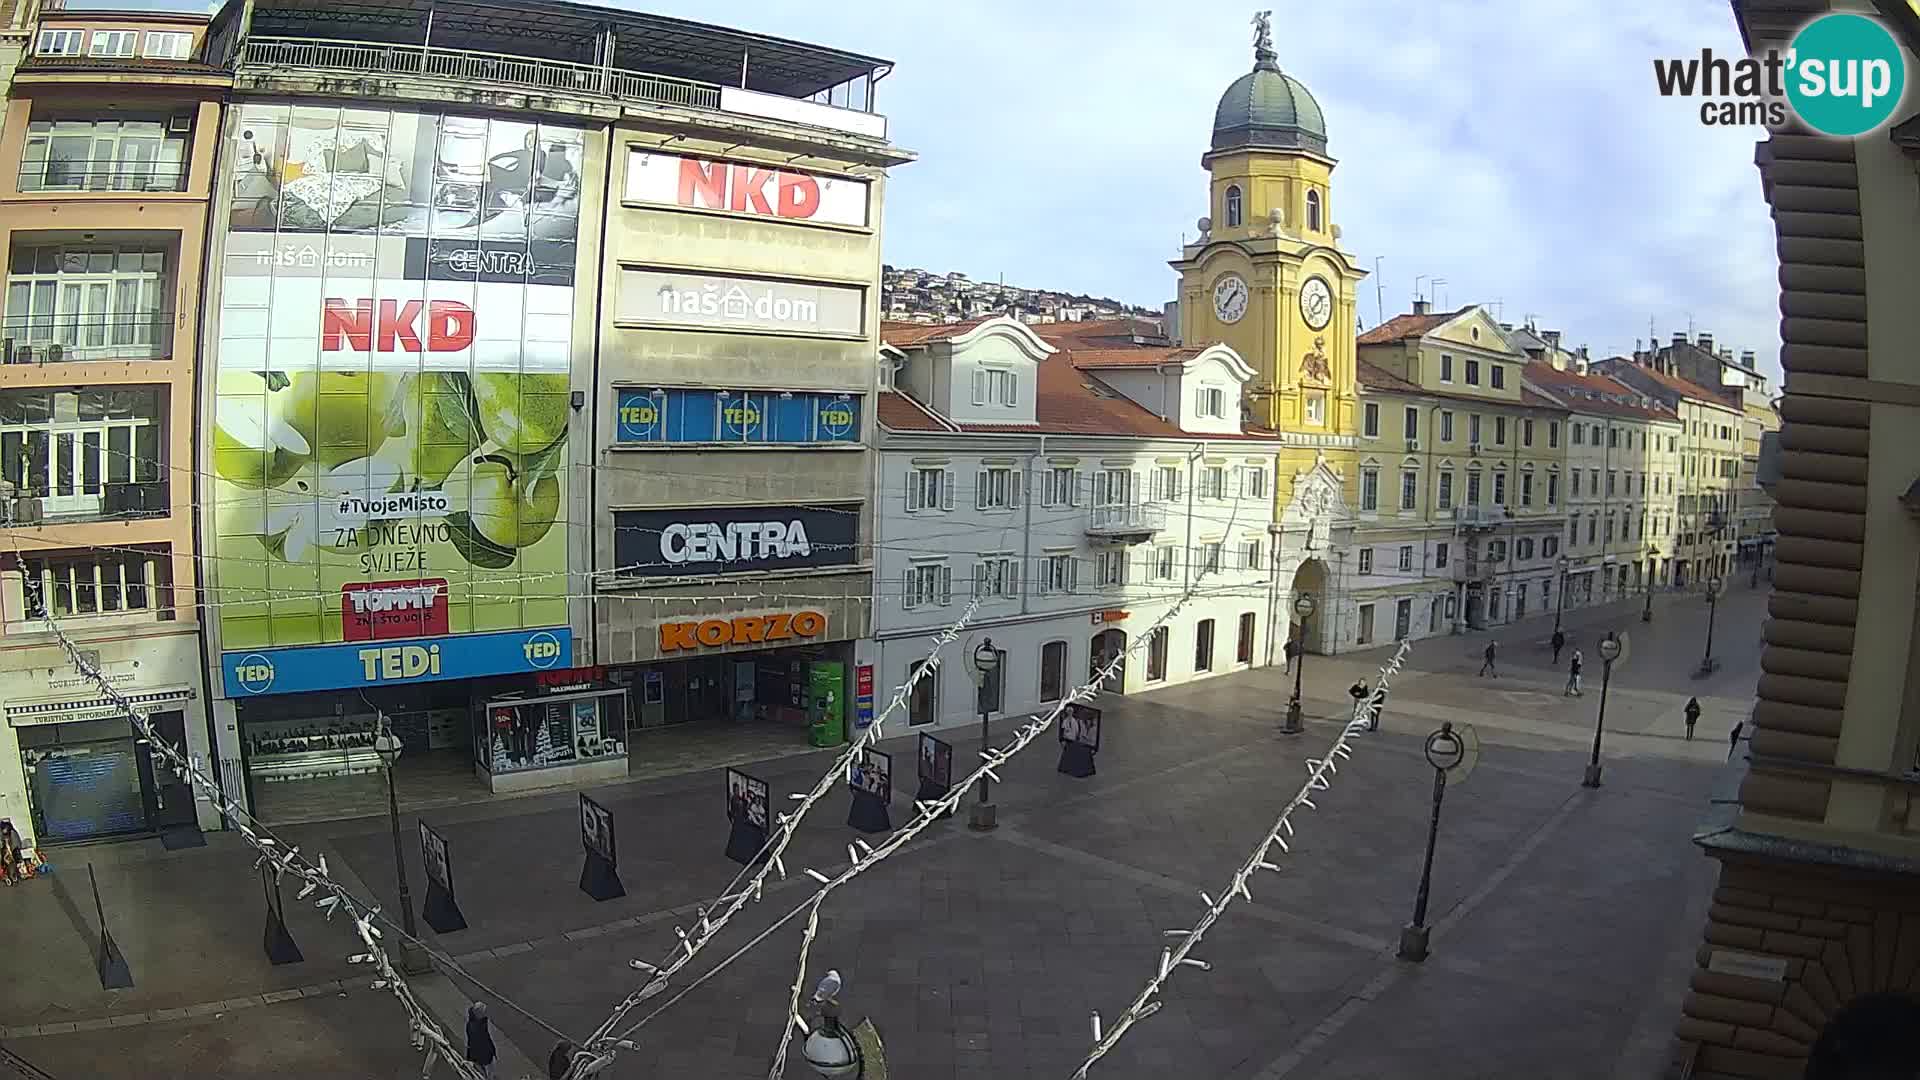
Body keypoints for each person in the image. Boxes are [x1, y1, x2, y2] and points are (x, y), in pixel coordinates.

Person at [465, 1001, 497, 1079]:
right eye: (483, 1011)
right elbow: (483, 1041)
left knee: (486, 1071)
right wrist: (492, 1052)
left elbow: (471, 1042)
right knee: (489, 1072)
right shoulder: (478, 1027)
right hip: (484, 1057)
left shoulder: (472, 1024)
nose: (485, 1013)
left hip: (480, 1057)